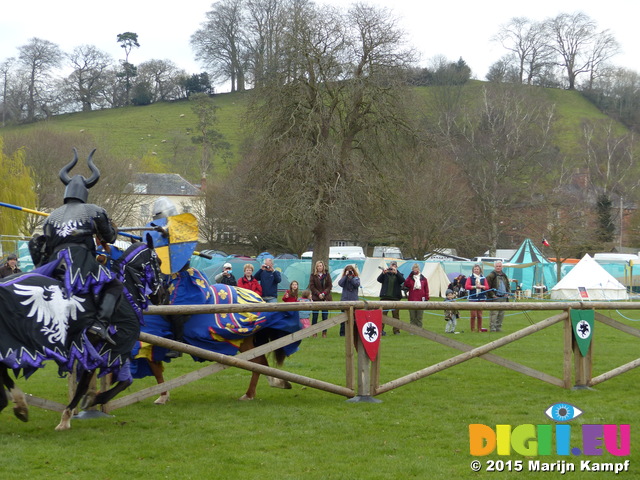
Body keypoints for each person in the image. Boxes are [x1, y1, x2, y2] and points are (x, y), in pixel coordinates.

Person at [36, 149, 120, 345]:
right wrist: (112, 228)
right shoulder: (93, 210)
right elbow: (111, 237)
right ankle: (99, 324)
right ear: (85, 192)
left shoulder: (52, 216)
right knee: (114, 284)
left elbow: (47, 246)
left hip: (54, 263)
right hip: (80, 261)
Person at [377, 260, 405, 335]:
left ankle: (396, 330)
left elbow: (402, 280)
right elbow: (379, 280)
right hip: (385, 298)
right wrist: (383, 273)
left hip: (395, 298)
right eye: (392, 265)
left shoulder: (399, 274)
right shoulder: (385, 274)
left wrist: (396, 273)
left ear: (396, 266)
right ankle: (380, 330)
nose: (393, 267)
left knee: (396, 316)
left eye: (394, 265)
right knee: (383, 315)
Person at [308, 260, 333, 338]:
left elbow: (329, 286)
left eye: (321, 266)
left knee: (325, 316)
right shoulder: (313, 275)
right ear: (316, 267)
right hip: (316, 297)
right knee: (315, 316)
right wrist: (318, 294)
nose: (319, 267)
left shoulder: (327, 275)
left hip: (325, 298)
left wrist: (324, 293)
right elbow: (311, 286)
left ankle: (324, 332)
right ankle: (314, 332)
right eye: (318, 266)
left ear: (323, 267)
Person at [486, 260, 511, 332]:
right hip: (495, 297)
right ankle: (492, 328)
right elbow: (487, 287)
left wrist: (507, 292)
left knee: (501, 313)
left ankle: (498, 328)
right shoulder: (491, 275)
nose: (498, 267)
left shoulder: (504, 275)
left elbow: (508, 285)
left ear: (502, 267)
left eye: (500, 266)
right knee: (494, 313)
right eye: (497, 266)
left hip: (503, 297)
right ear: (494, 267)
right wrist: (493, 295)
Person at [403, 263, 429, 328]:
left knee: (419, 317)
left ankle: (419, 329)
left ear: (419, 270)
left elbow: (426, 289)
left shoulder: (423, 279)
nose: (415, 271)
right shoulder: (410, 278)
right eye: (414, 269)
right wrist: (410, 276)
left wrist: (426, 297)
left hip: (421, 299)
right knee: (412, 317)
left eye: (416, 269)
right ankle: (412, 329)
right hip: (412, 299)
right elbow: (406, 284)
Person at [465, 264, 489, 332]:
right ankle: (472, 329)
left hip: (481, 298)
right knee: (473, 315)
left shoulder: (483, 278)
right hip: (473, 298)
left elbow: (487, 287)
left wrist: (482, 287)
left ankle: (479, 329)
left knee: (480, 315)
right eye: (475, 269)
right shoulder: (470, 277)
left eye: (477, 269)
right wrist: (475, 287)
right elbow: (467, 286)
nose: (476, 270)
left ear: (480, 270)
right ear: (473, 270)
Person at [338, 264, 361, 336]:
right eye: (348, 271)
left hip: (353, 300)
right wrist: (346, 276)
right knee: (343, 317)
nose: (350, 273)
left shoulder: (356, 278)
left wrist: (351, 278)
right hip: (345, 299)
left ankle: (354, 332)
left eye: (351, 271)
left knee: (354, 317)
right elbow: (340, 284)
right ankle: (343, 333)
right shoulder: (344, 278)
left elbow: (356, 284)